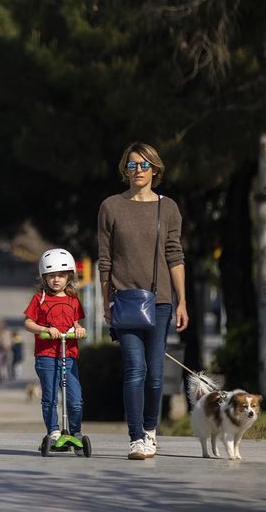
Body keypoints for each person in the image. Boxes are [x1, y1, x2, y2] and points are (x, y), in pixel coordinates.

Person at [98, 141, 188, 460]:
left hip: (161, 300)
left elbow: (175, 256)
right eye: (132, 165)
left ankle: (151, 430)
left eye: (144, 165)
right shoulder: (111, 206)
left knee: (156, 373)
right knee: (134, 369)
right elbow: (105, 260)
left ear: (155, 169)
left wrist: (182, 302)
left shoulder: (168, 208)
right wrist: (105, 300)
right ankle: (136, 437)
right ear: (125, 169)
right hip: (124, 300)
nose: (138, 171)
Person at [23, 248, 86, 445]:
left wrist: (79, 329)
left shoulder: (73, 299)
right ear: (44, 277)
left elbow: (75, 322)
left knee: (75, 399)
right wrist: (45, 329)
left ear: (69, 276)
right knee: (50, 397)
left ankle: (75, 432)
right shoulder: (39, 298)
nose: (56, 280)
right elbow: (28, 323)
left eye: (60, 275)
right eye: (51, 276)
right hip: (46, 355)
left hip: (69, 354)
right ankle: (54, 431)